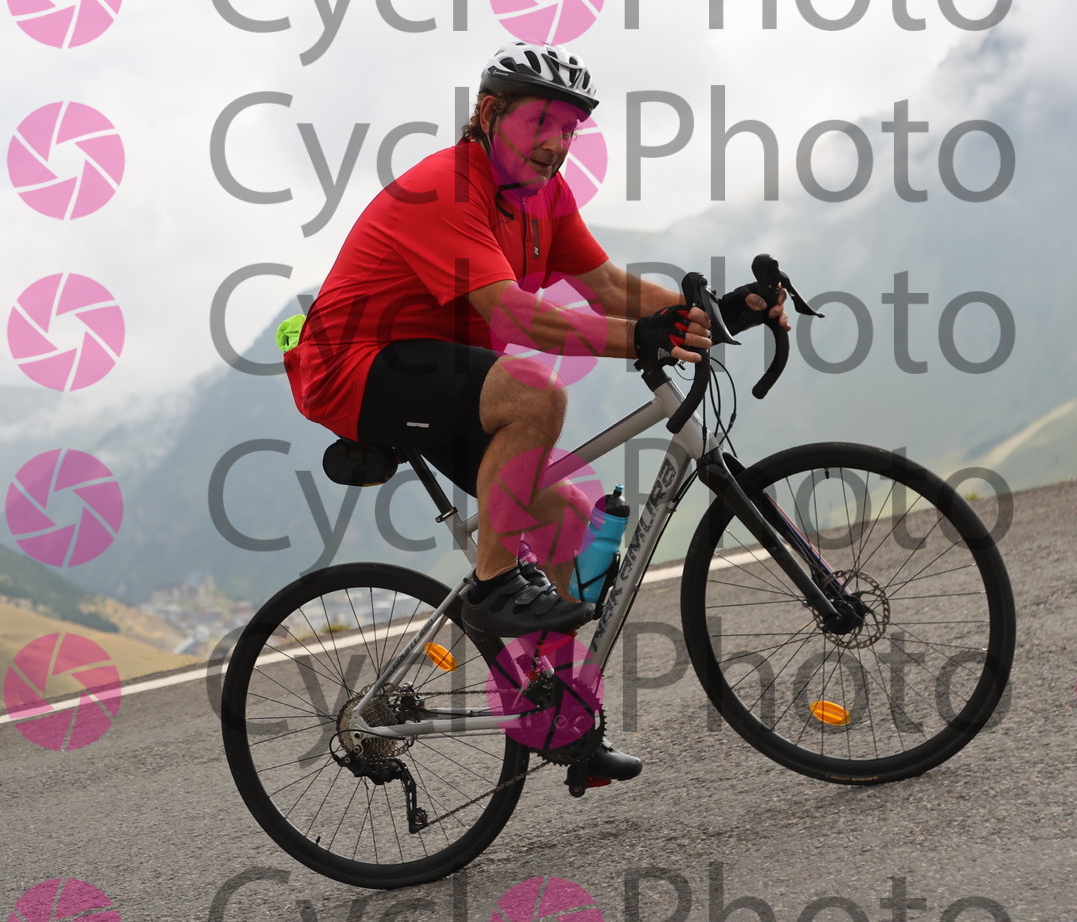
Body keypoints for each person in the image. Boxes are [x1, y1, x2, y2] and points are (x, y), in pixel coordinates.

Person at [281, 41, 788, 781]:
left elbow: (610, 289)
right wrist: (641, 339)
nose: (556, 143)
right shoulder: (446, 190)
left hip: (444, 365)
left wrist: (721, 311)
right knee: (536, 391)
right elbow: (517, 316)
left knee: (570, 525)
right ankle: (493, 587)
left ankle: (556, 716)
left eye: (569, 129)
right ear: (490, 113)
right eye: (540, 122)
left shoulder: (544, 197)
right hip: (353, 365)